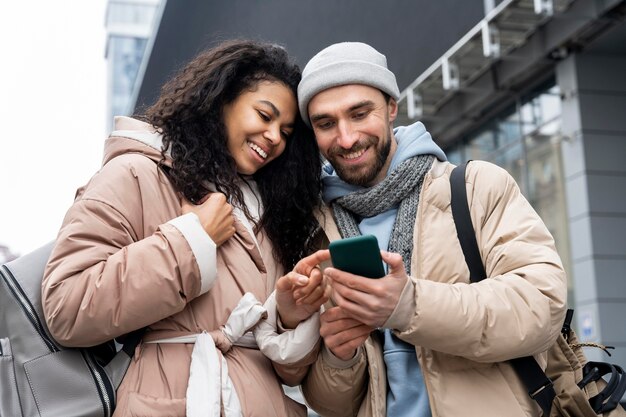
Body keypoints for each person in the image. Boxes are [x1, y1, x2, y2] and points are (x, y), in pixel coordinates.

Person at [41, 39, 329, 417]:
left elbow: (290, 373)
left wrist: (288, 316)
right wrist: (191, 241)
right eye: (264, 115)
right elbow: (67, 306)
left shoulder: (275, 216)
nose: (275, 137)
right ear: (221, 99)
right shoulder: (136, 174)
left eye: (286, 132)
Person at [296, 42, 568, 417]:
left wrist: (408, 306)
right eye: (326, 124)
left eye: (360, 114)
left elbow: (541, 305)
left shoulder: (476, 188)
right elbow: (330, 403)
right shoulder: (317, 233)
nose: (346, 138)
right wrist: (340, 357)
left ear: (392, 107)